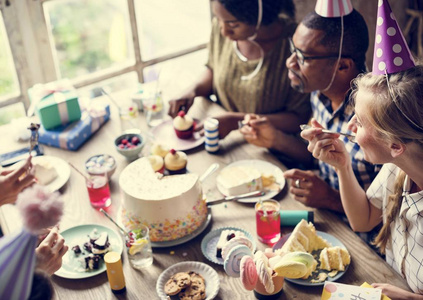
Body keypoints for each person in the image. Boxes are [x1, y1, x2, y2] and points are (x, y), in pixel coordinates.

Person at [241, 8, 381, 213]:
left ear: (342, 66)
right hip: (323, 215)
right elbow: (318, 158)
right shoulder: (319, 93)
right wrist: (275, 139)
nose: (290, 62)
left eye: (303, 57)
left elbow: (389, 212)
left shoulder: (378, 123)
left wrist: (329, 198)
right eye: (293, 49)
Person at [302, 64, 423, 298]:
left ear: (395, 146)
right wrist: (342, 165)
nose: (350, 126)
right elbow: (363, 220)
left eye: (361, 122)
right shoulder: (396, 170)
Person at [168, 0, 311, 140]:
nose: (223, 31)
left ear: (259, 15)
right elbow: (214, 68)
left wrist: (236, 121)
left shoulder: (296, 45)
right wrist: (194, 90)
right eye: (218, 19)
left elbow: (298, 119)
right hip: (222, 136)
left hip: (268, 148)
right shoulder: (223, 27)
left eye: (233, 24)